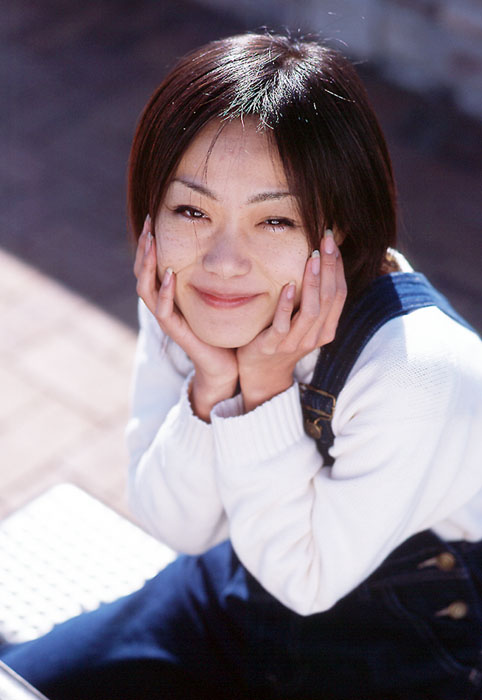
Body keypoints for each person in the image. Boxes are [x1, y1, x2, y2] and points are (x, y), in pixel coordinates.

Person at [2, 31, 482, 700]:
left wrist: (264, 386)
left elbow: (305, 583)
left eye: (275, 221)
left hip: (402, 651)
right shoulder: (188, 288)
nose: (224, 262)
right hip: (237, 588)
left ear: (339, 226)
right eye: (191, 209)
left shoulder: (419, 370)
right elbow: (178, 525)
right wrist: (211, 386)